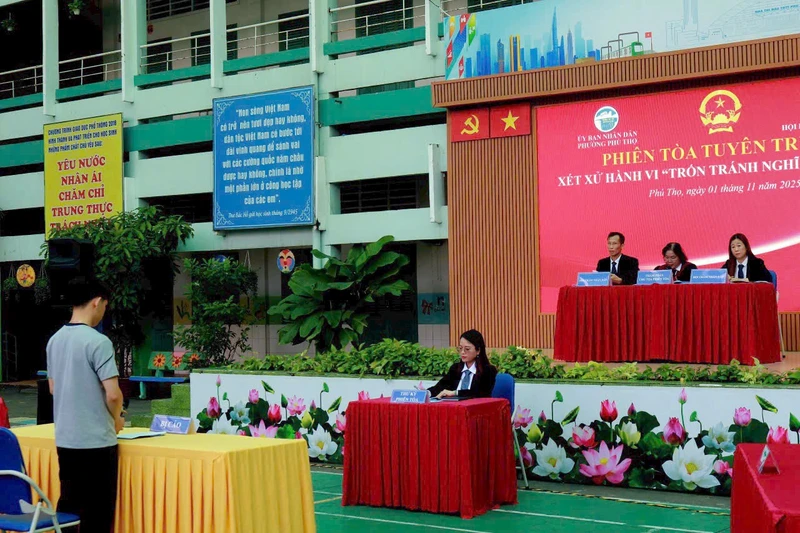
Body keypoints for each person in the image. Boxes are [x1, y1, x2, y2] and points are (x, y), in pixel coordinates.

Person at [47, 279, 123, 533]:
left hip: (66, 440)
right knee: (98, 514)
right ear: (97, 302)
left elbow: (53, 388)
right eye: (105, 306)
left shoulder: (54, 340)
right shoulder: (98, 342)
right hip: (97, 443)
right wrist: (117, 419)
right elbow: (113, 394)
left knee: (69, 511)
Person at [428, 329, 498, 399]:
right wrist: (426, 393)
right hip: (453, 405)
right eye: (460, 348)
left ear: (478, 351)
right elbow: (440, 387)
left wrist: (455, 393)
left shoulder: (488, 370)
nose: (462, 352)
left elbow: (481, 393)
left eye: (467, 349)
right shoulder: (455, 368)